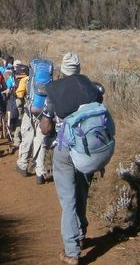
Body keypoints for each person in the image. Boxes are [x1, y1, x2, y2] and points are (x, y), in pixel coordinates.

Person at [40, 52, 104, 265]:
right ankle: (81, 234)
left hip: (65, 148)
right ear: (79, 68)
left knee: (68, 200)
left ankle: (72, 252)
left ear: (63, 69)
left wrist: (48, 128)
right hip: (88, 148)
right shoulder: (92, 89)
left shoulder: (55, 91)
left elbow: (46, 127)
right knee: (82, 193)